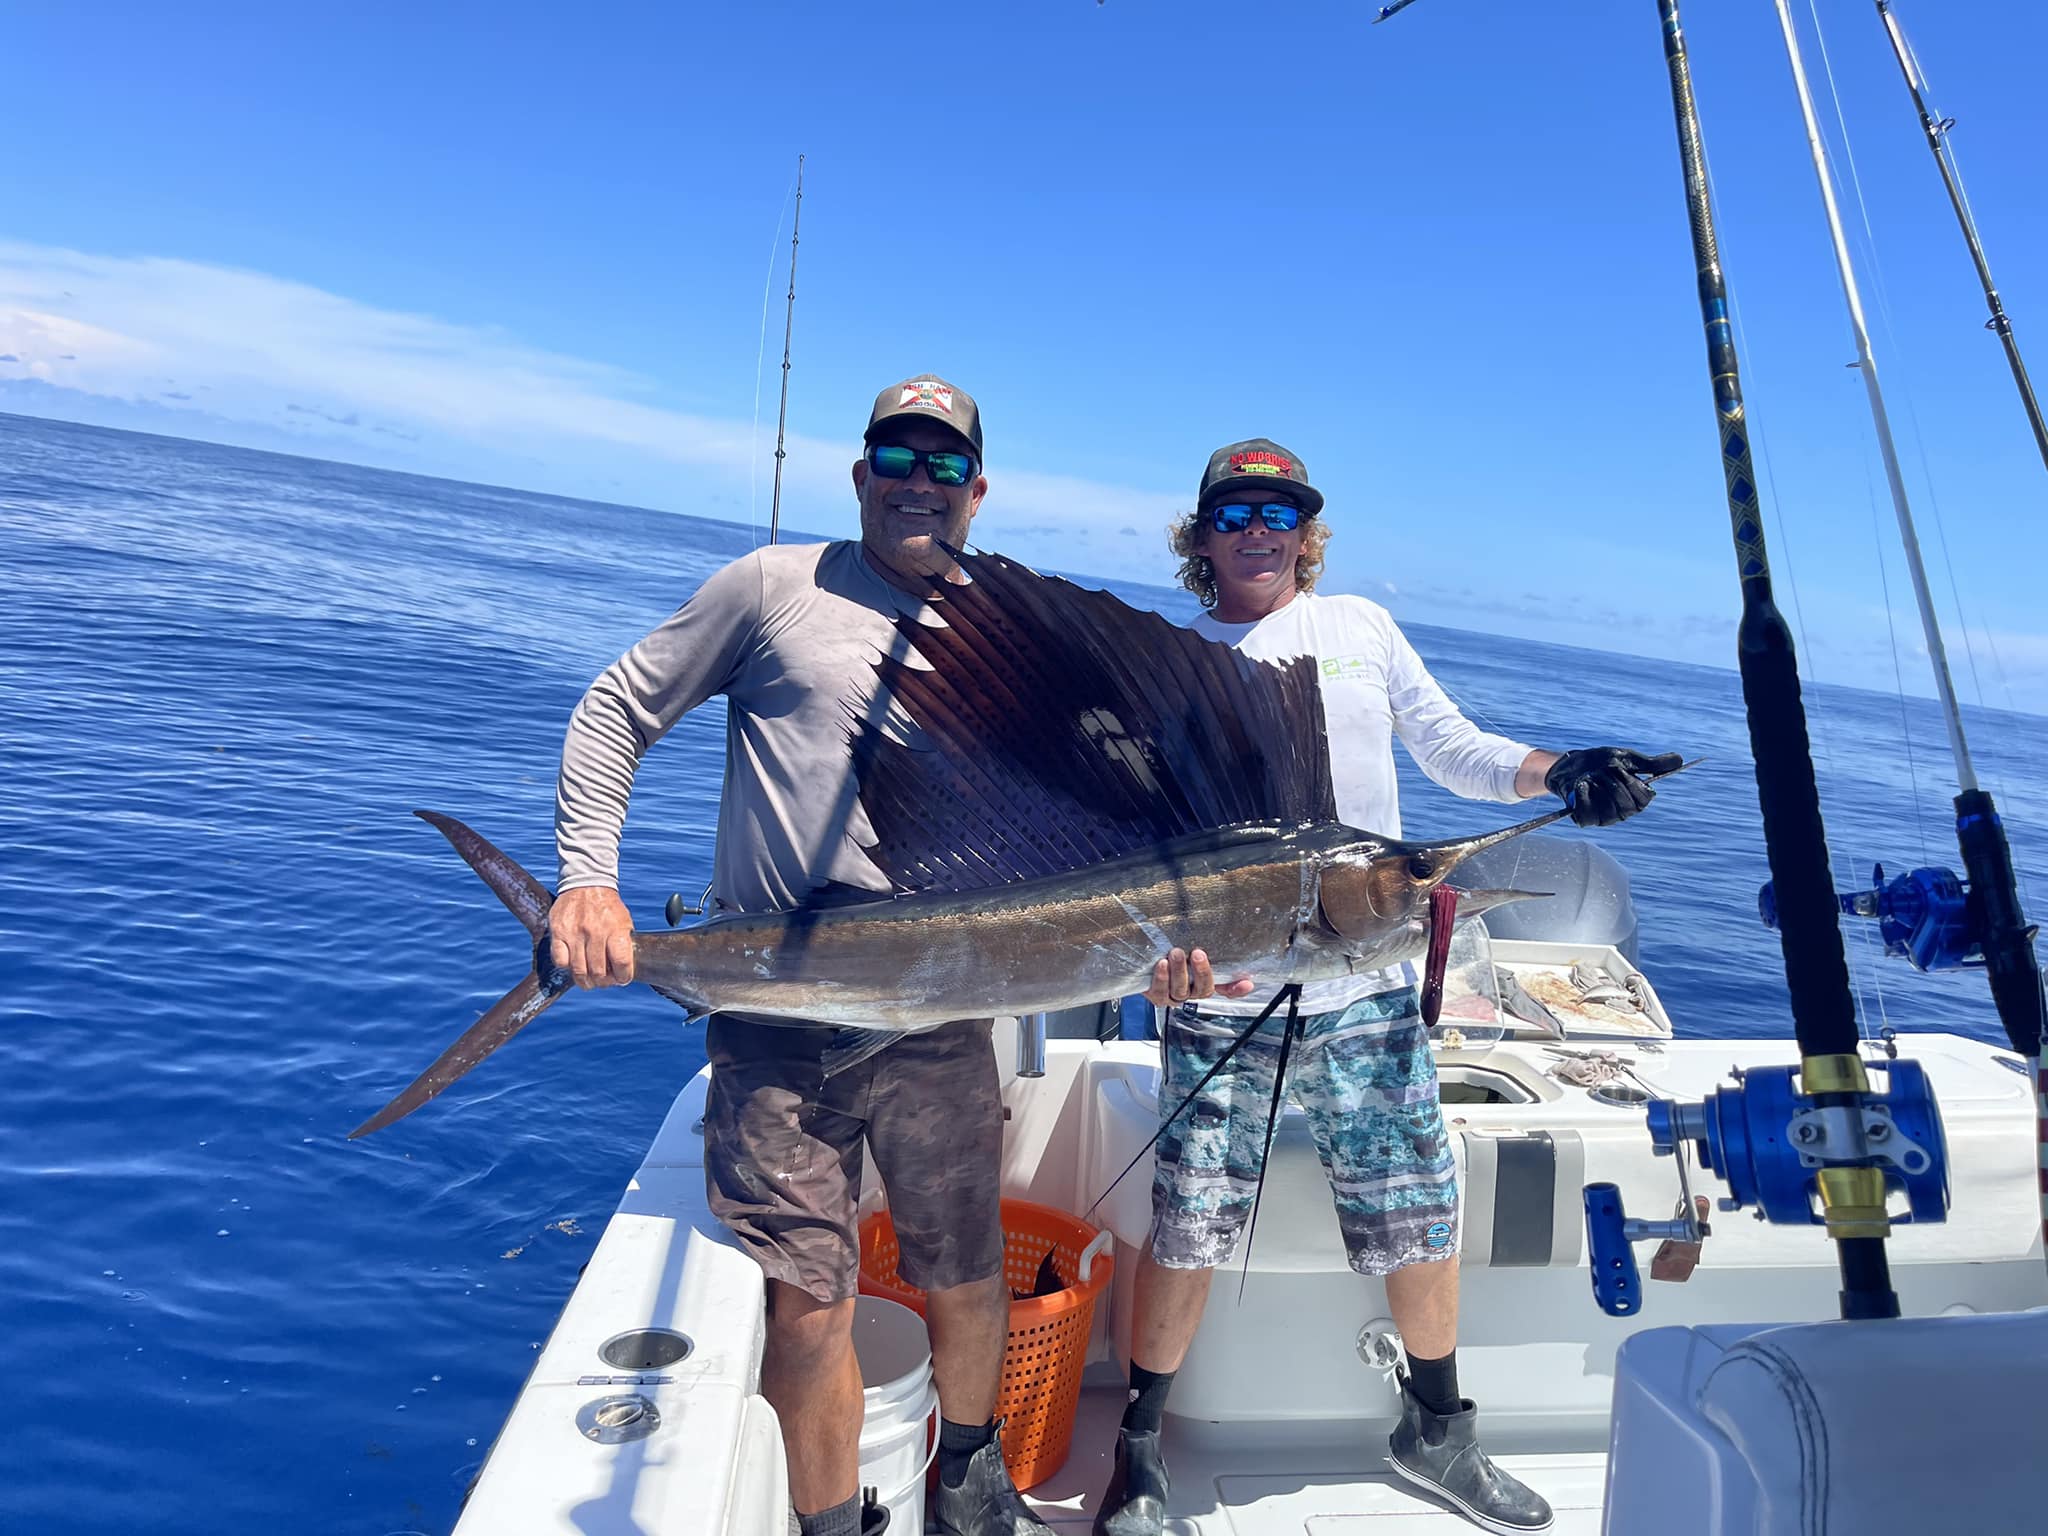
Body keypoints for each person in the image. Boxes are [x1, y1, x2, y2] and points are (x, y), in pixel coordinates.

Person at [1095, 438, 1680, 1536]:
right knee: (1187, 1224)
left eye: (1279, 511)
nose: (1257, 530)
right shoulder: (1167, 654)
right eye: (1233, 514)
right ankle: (1138, 1451)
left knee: (1415, 1210)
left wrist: (1558, 773)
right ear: (1200, 536)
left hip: (1363, 983)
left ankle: (1437, 1429)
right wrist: (1153, 963)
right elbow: (1139, 835)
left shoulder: (1359, 629)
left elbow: (1453, 751)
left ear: (1306, 532)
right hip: (1218, 986)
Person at [549, 377, 1053, 1536]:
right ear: (859, 470)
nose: (916, 482)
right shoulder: (772, 587)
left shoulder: (1005, 635)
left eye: (941, 465)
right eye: (895, 455)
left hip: (941, 1016)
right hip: (778, 1019)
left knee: (965, 1274)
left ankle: (968, 1487)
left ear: (975, 489)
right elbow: (615, 708)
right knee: (808, 1307)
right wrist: (585, 877)